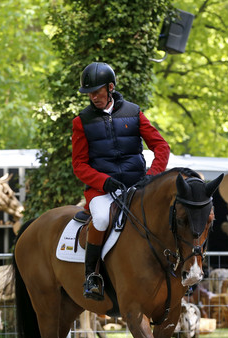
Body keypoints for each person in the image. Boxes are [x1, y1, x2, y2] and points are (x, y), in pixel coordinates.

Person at [72, 61, 170, 300]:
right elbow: (79, 165)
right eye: (89, 93)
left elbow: (161, 146)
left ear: (110, 87)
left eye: (97, 92)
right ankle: (92, 277)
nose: (93, 97)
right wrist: (104, 182)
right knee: (103, 218)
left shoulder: (134, 113)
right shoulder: (81, 122)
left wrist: (152, 176)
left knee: (167, 215)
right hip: (102, 190)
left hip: (137, 187)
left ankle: (177, 272)